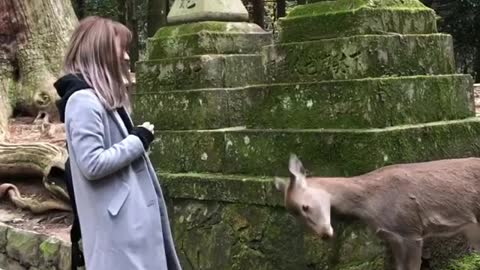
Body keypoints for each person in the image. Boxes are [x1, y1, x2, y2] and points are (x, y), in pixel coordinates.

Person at [53, 16, 182, 270]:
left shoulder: (99, 99)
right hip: (119, 233)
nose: (125, 57)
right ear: (100, 51)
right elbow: (92, 163)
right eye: (120, 48)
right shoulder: (82, 101)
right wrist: (138, 139)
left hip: (128, 228)